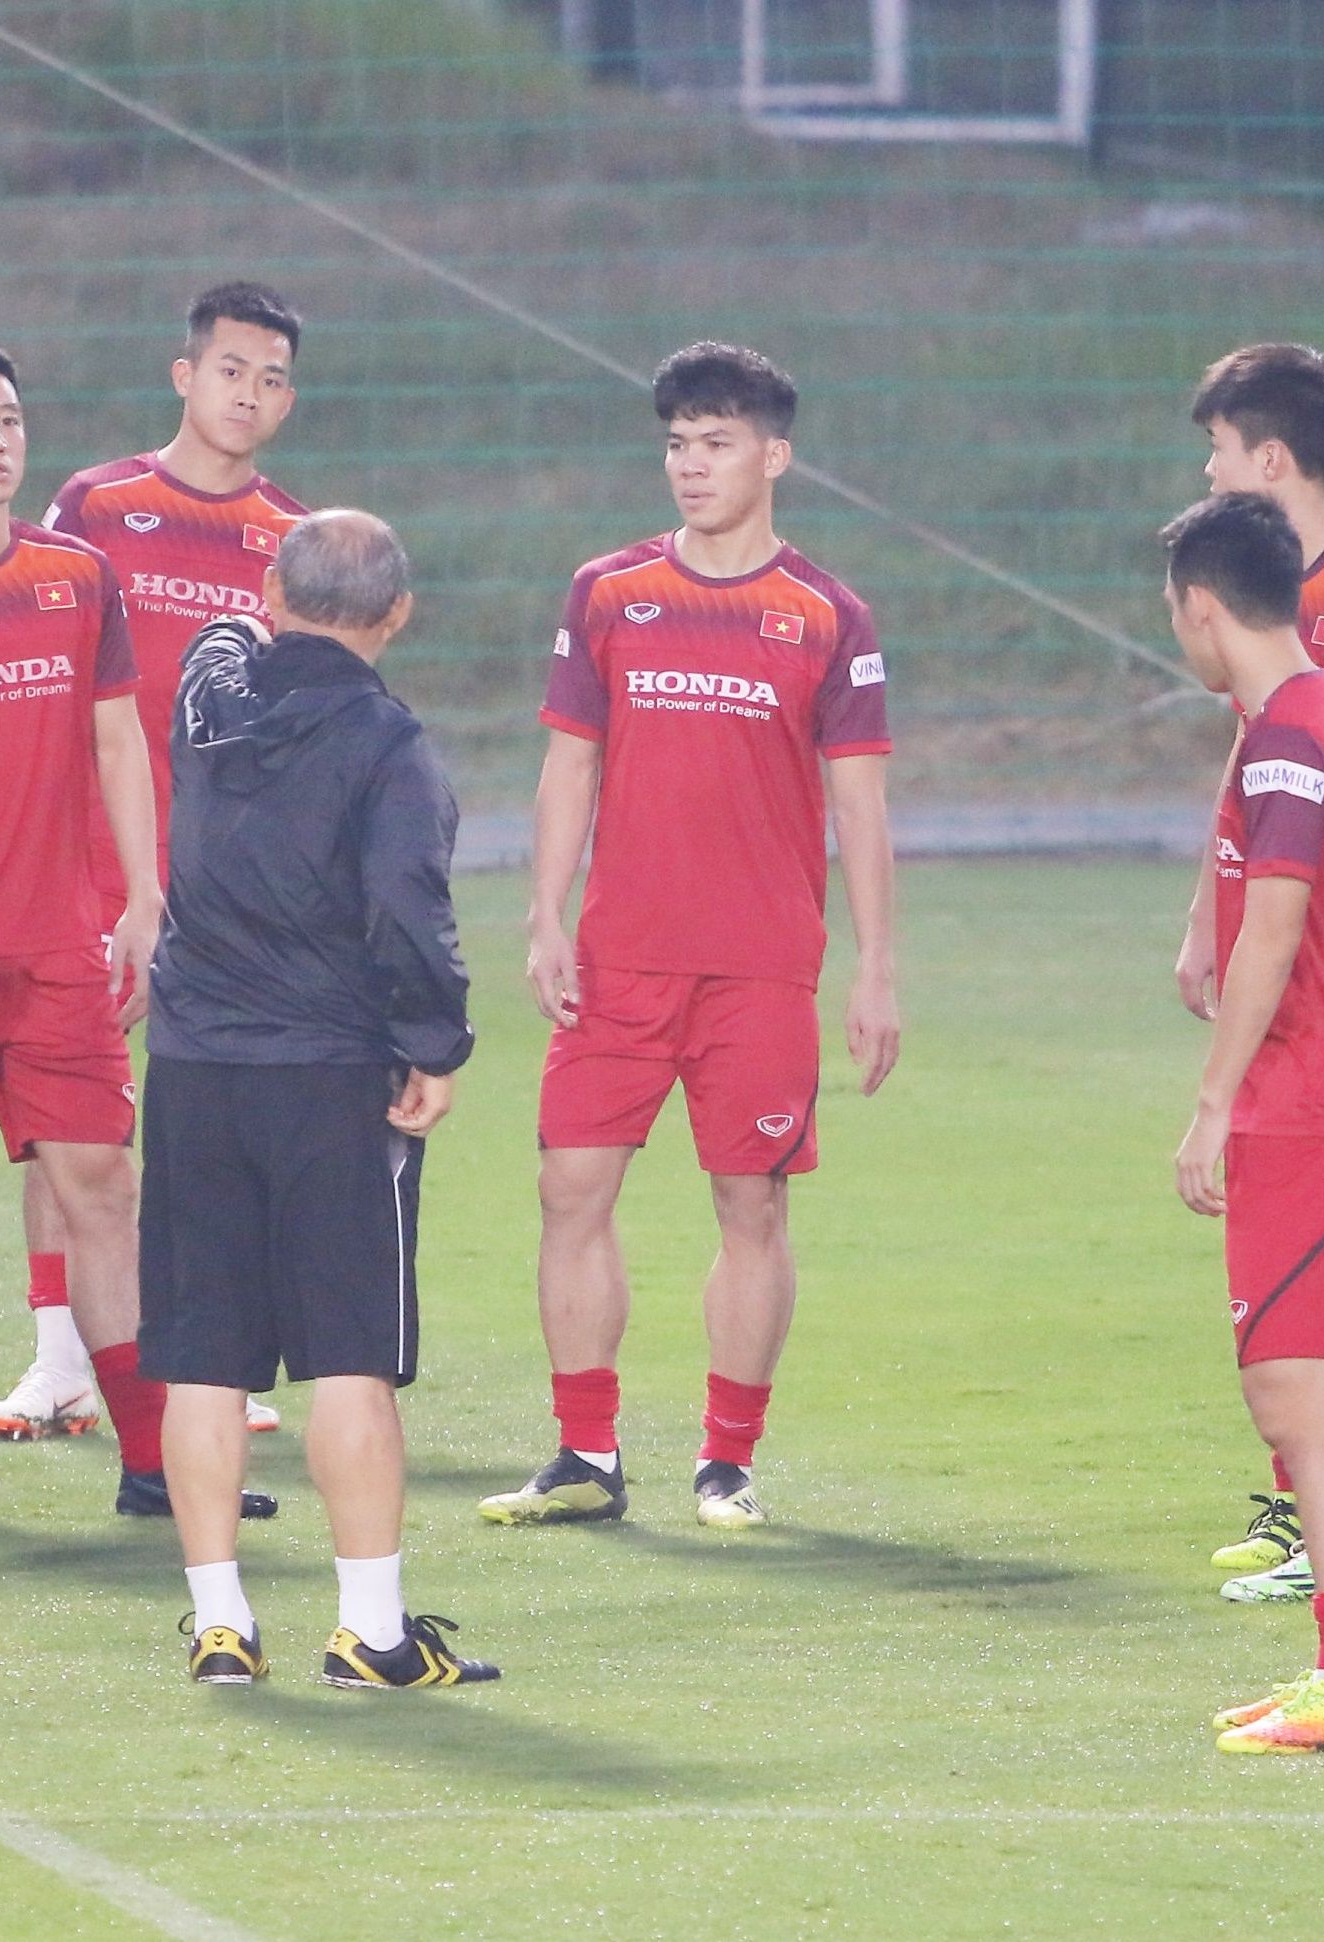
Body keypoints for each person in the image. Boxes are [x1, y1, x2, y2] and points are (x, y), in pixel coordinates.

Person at [479, 341, 900, 1532]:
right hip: (619, 957)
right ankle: (584, 1451)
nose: (688, 465)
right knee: (569, 1187)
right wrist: (544, 912)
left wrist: (874, 969)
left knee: (751, 1206)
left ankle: (725, 1459)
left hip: (760, 969)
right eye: (674, 443)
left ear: (773, 456)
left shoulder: (825, 613)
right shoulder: (609, 589)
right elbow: (571, 762)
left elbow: (861, 805)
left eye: (714, 443)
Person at [139, 510, 496, 1690]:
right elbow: (408, 907)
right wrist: (431, 1044)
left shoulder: (207, 683)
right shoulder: (391, 744)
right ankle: (370, 1631)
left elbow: (228, 636)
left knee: (202, 1359)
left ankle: (220, 1624)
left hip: (194, 1066)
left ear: (268, 593)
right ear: (396, 615)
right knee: (349, 1358)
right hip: (327, 1073)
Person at [0, 283, 312, 1444]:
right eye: (231, 369)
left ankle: (200, 1356)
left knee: (204, 1117)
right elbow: (44, 658)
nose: (250, 394)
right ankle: (57, 1359)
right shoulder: (98, 504)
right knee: (66, 1112)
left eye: (272, 377)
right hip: (91, 864)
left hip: (227, 879)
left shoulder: (292, 536)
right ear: (184, 375)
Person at [1159, 490, 1324, 1754]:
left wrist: (1211, 1106)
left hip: (1313, 1104)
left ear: (1200, 608)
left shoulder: (1283, 739)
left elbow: (1270, 929)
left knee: (1293, 1394)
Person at [1168, 343, 1324, 1590]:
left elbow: (1286, 909)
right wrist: (1207, 902)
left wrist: (1212, 1099)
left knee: (1319, 1379)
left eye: (1216, 447)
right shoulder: (1299, 699)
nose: (1206, 465)